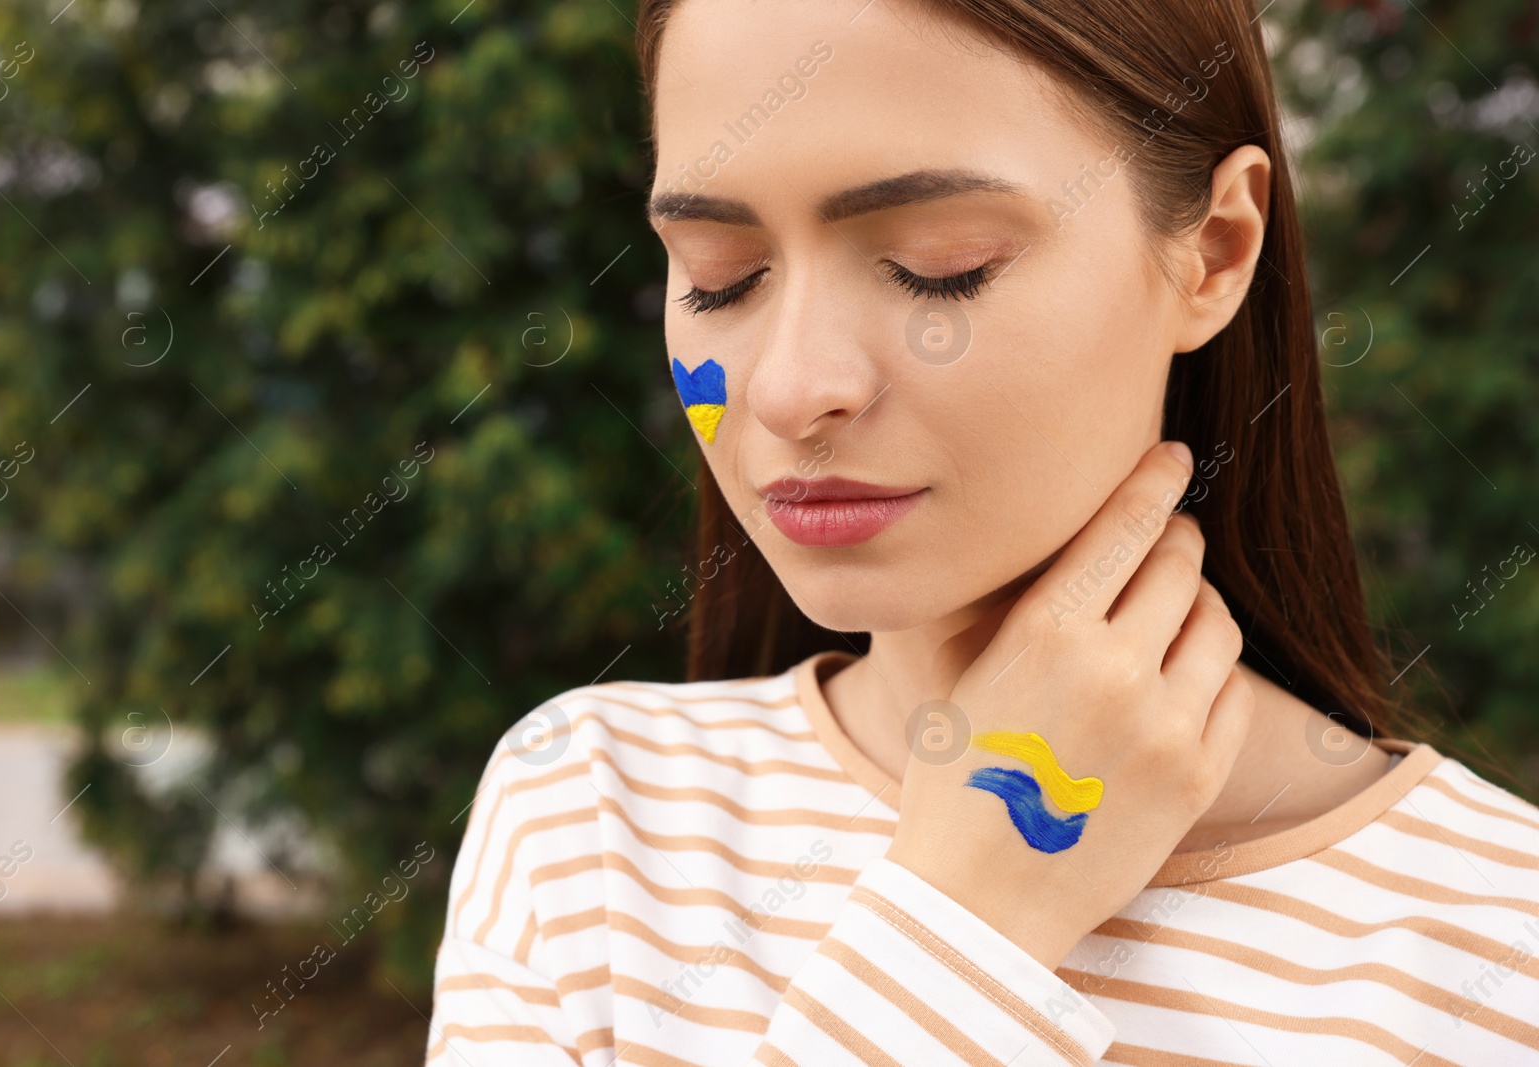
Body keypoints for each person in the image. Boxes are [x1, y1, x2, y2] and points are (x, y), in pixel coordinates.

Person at [425, 0, 1539, 1063]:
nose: (790, 387)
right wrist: (965, 919)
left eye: (936, 266)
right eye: (721, 278)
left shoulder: (1497, 947)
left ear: (1214, 249)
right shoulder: (589, 822)